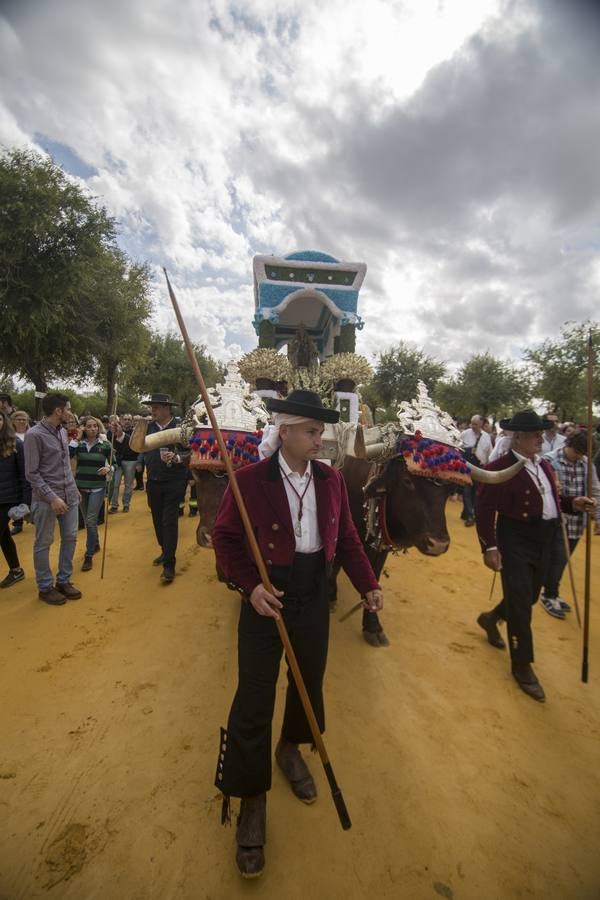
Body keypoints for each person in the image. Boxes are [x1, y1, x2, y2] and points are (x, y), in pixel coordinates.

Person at [212, 390, 383, 878]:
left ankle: (290, 748)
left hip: (313, 593)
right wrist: (249, 587)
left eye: (322, 432)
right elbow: (225, 539)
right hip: (266, 597)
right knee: (254, 697)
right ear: (284, 431)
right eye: (311, 431)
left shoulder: (330, 481)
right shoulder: (247, 481)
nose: (321, 439)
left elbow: (347, 538)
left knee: (309, 681)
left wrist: (367, 585)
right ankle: (251, 800)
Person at [475, 410, 596, 702]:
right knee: (521, 605)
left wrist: (573, 503)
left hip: (546, 538)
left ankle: (490, 618)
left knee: (528, 596)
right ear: (517, 437)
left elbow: (552, 500)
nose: (541, 438)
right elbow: (483, 508)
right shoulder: (500, 467)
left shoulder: (544, 466)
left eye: (541, 433)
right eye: (535, 435)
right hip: (515, 539)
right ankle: (523, 666)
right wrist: (489, 546)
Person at [24, 393, 82, 605]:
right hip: (45, 500)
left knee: (71, 537)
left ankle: (64, 581)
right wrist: (52, 498)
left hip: (69, 495)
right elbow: (32, 473)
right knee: (43, 543)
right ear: (58, 411)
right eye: (68, 408)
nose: (70, 412)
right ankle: (45, 586)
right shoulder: (34, 435)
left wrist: (73, 489)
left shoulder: (63, 432)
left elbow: (66, 465)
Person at [540, 431, 600, 618]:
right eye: (577, 451)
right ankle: (550, 594)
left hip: (577, 522)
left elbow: (596, 491)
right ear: (569, 444)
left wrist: (598, 517)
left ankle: (550, 590)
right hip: (556, 521)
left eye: (583, 453)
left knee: (563, 558)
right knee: (558, 557)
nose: (579, 456)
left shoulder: (586, 464)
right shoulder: (549, 460)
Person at [141, 393, 189, 584]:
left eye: (156, 407)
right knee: (157, 519)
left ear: (167, 408)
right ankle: (165, 550)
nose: (152, 410)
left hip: (174, 480)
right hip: (153, 480)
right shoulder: (148, 427)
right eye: (152, 407)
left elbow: (190, 451)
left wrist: (177, 458)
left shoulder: (181, 428)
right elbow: (139, 447)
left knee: (169, 521)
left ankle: (169, 564)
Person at [69, 417, 113, 572]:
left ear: (98, 428)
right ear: (84, 428)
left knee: (90, 521)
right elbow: (67, 454)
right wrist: (77, 437)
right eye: (89, 426)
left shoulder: (105, 444)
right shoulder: (78, 445)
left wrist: (109, 469)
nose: (93, 429)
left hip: (98, 487)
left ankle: (88, 556)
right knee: (88, 520)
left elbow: (114, 462)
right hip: (81, 487)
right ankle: (95, 542)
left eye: (95, 426)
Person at [0, 411, 30, 589]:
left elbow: (25, 476)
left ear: (5, 421)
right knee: (4, 536)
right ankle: (16, 570)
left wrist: (25, 502)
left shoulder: (16, 444)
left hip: (7, 500)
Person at [461, 415, 493, 526]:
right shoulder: (465, 434)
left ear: (481, 425)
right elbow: (459, 447)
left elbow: (489, 453)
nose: (473, 426)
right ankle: (470, 516)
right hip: (467, 466)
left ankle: (466, 512)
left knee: (475, 492)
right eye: (472, 423)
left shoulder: (486, 437)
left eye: (475, 424)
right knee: (466, 490)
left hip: (480, 467)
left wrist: (488, 466)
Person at [108, 414, 139, 513]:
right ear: (121, 420)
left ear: (132, 421)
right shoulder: (112, 431)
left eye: (129, 419)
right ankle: (114, 505)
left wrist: (139, 462)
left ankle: (126, 504)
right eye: (125, 419)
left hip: (131, 461)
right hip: (117, 462)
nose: (127, 421)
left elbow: (136, 445)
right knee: (115, 484)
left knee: (128, 484)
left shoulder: (135, 432)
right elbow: (109, 442)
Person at [9, 411, 31, 534]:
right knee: (18, 495)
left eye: (24, 419)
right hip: (15, 469)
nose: (22, 421)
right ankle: (18, 522)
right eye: (19, 419)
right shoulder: (10, 435)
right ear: (13, 421)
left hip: (32, 468)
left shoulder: (31, 433)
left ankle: (32, 516)